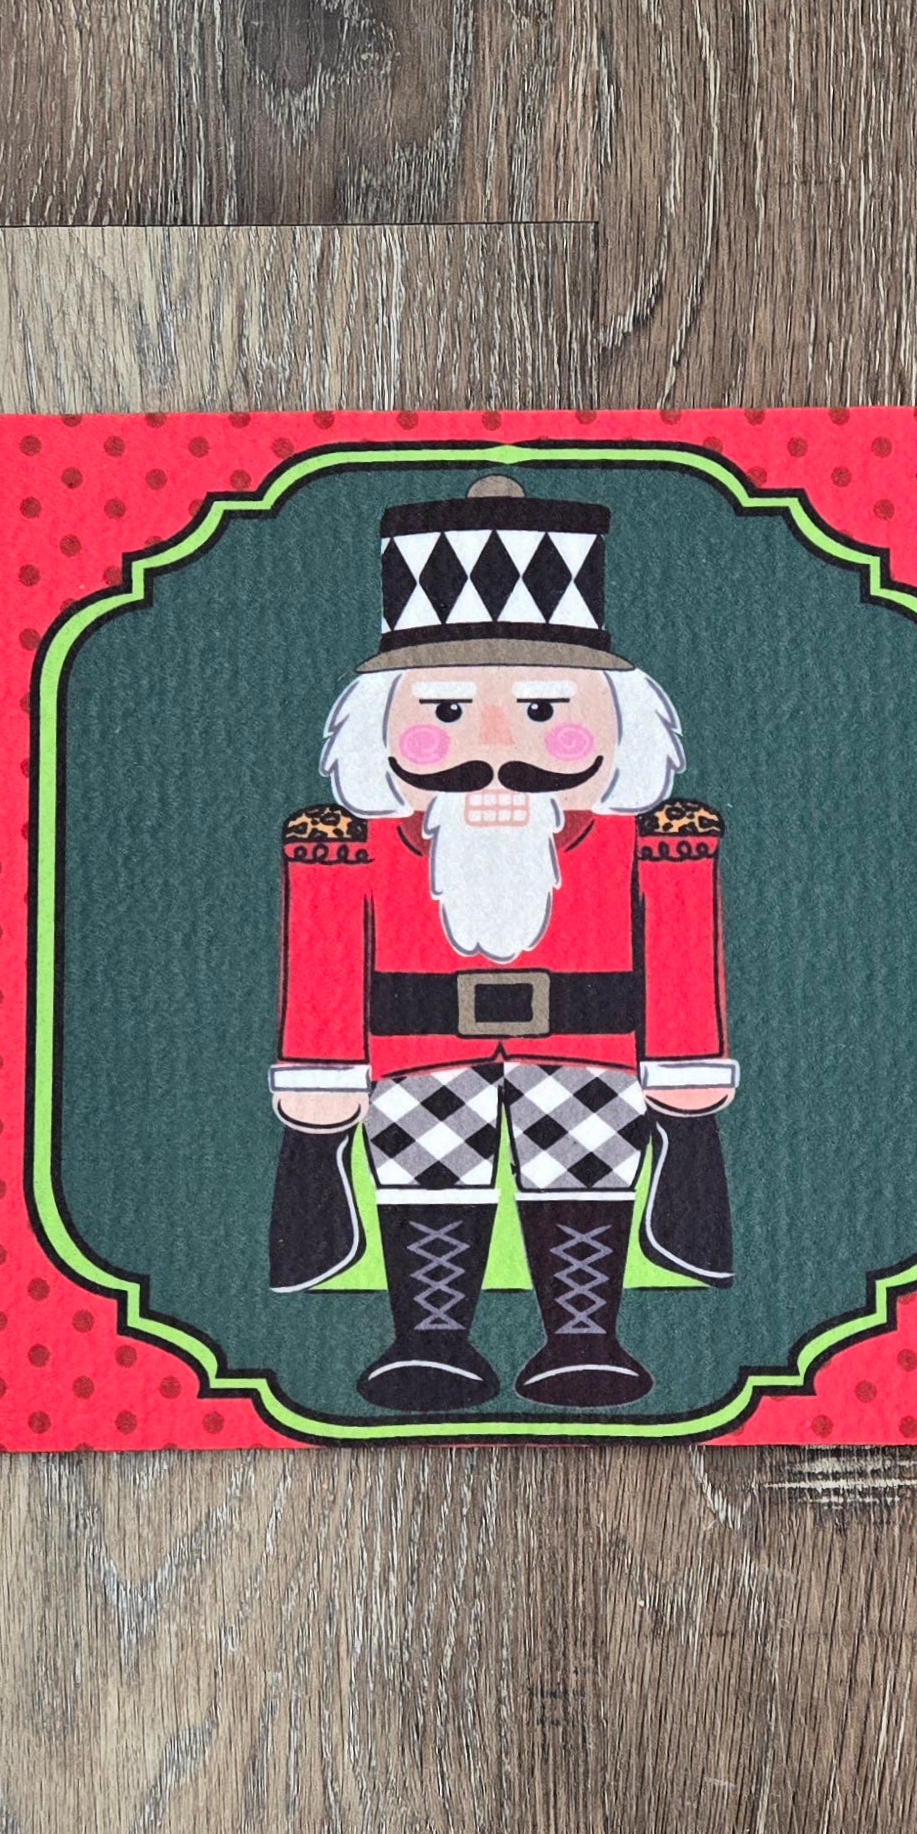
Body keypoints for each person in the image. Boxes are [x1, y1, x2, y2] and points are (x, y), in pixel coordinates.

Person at [271, 476, 734, 1414]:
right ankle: (431, 1341)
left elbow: (680, 950)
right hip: (416, 1057)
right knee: (426, 1187)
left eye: (543, 711)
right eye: (443, 712)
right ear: (377, 731)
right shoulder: (352, 848)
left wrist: (684, 1071)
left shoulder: (651, 842)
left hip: (591, 1052)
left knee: (585, 1185)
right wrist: (322, 1077)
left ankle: (583, 1338)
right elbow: (325, 958)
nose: (492, 749)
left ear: (621, 726)